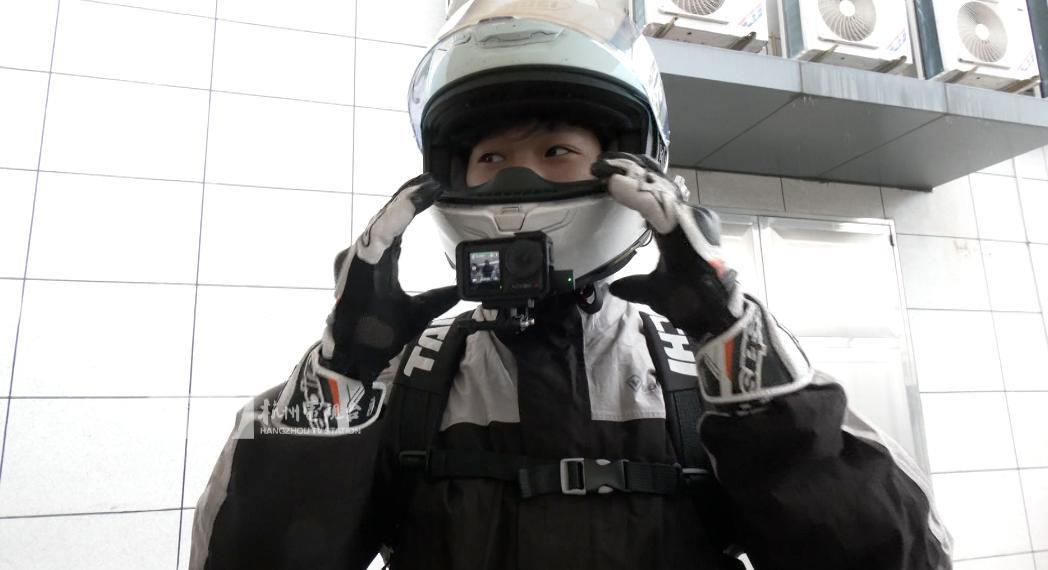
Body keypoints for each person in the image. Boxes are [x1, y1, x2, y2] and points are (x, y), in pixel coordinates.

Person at [189, 2, 952, 569]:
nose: (515, 178)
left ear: (629, 167)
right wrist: (343, 370)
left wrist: (732, 339)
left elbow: (897, 557)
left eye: (555, 150)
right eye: (491, 159)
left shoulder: (706, 377)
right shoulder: (409, 380)